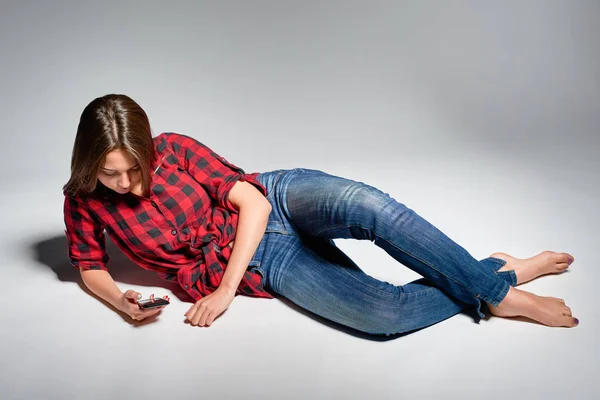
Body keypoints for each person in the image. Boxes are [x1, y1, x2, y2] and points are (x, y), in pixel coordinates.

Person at [63, 94, 578, 335]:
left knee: (374, 209)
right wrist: (122, 302)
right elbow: (90, 266)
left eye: (134, 169)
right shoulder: (82, 200)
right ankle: (499, 269)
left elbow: (253, 202)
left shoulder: (171, 147)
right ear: (89, 164)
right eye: (111, 175)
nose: (127, 184)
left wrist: (223, 294)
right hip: (264, 260)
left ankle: (504, 297)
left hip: (276, 200)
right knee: (383, 315)